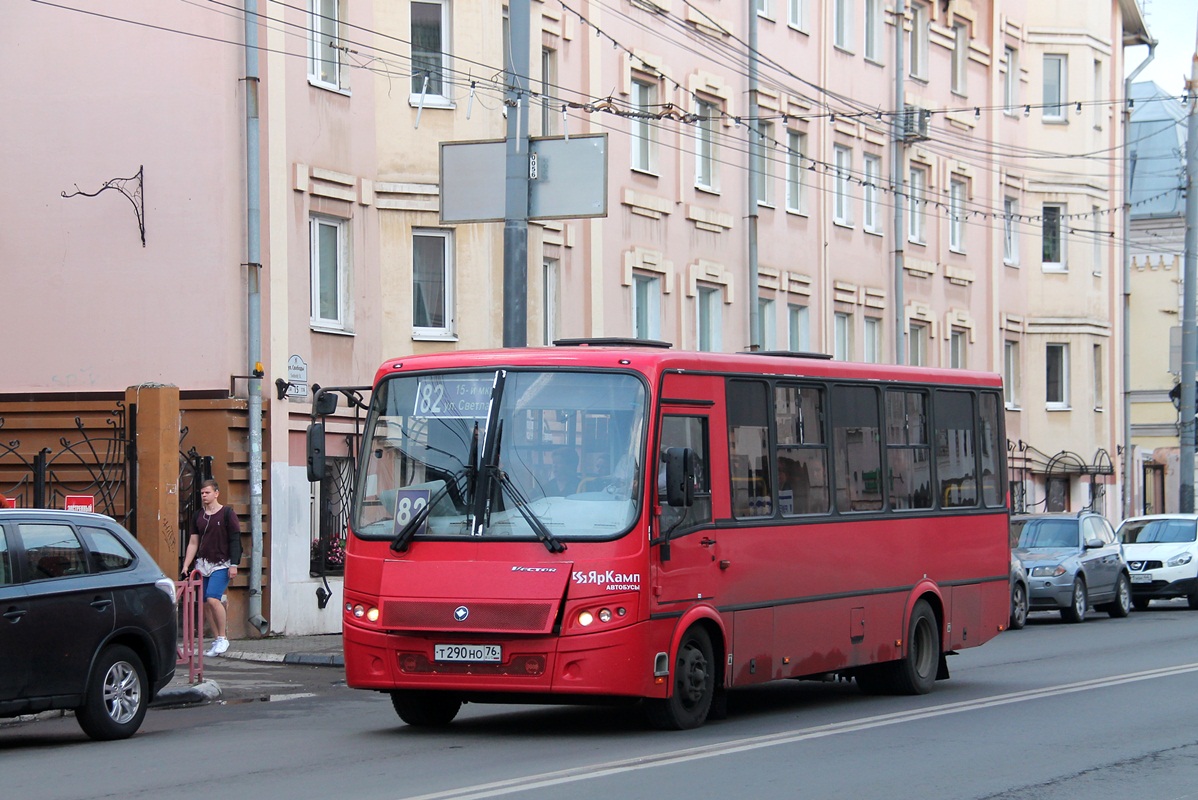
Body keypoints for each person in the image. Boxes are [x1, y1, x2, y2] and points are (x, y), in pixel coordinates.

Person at [181, 479, 242, 656]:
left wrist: (234, 564)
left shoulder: (227, 513)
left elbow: (235, 540)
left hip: (222, 564)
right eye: (202, 493)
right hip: (203, 564)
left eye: (207, 492)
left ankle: (223, 637)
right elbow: (193, 542)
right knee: (205, 603)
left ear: (216, 493)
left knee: (213, 598)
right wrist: (186, 565)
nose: (204, 495)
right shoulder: (198, 516)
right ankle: (216, 639)